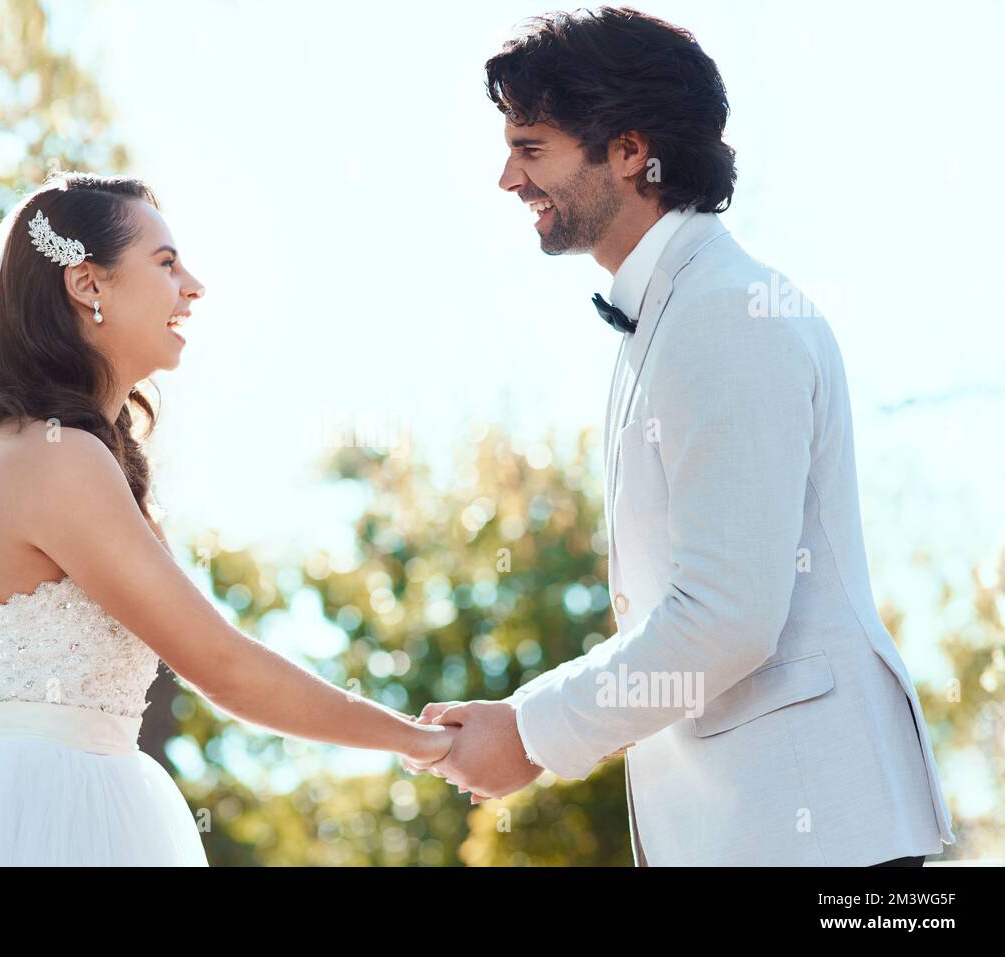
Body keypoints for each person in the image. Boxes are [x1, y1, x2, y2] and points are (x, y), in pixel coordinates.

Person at [0, 171, 455, 866]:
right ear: (87, 282)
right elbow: (221, 664)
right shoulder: (55, 457)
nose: (193, 287)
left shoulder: (55, 449)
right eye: (166, 263)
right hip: (42, 815)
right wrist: (414, 738)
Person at [408, 7, 955, 867]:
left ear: (630, 151)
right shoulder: (671, 316)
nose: (508, 178)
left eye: (531, 146)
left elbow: (727, 614)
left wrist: (529, 732)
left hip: (818, 839)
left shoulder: (723, 312)